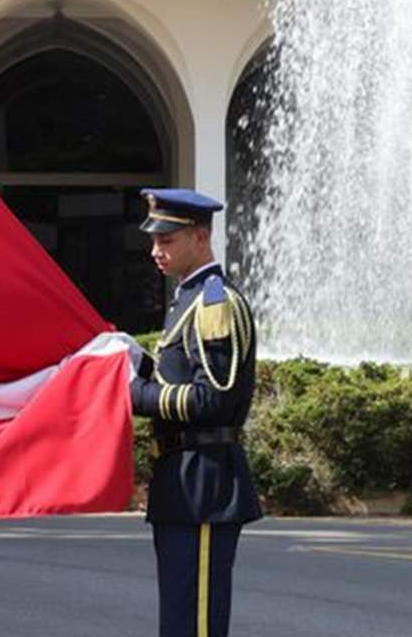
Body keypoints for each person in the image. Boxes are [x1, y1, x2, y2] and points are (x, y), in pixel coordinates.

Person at [127, 188, 262, 637]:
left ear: (200, 238)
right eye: (154, 241)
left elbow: (213, 400)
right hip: (183, 481)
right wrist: (138, 361)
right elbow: (180, 379)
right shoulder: (187, 300)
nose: (155, 251)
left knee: (196, 624)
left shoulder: (212, 305)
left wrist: (134, 393)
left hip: (205, 482)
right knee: (180, 622)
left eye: (167, 241)